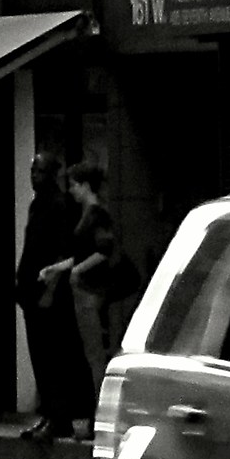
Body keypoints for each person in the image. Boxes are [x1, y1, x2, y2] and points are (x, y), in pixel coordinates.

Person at [38, 163, 133, 397]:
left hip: (89, 290)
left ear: (86, 186)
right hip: (88, 289)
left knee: (94, 353)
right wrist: (58, 268)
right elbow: (89, 252)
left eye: (74, 185)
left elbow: (103, 250)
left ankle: (101, 401)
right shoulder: (92, 214)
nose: (71, 190)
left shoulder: (96, 215)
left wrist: (77, 270)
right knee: (93, 351)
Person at [16, 153, 91, 441]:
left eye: (40, 171)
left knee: (53, 358)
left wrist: (49, 291)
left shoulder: (58, 206)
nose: (34, 176)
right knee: (41, 357)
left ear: (52, 174)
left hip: (49, 295)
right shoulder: (38, 205)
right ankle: (49, 413)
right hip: (33, 292)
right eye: (33, 170)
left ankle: (59, 417)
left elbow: (63, 251)